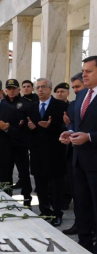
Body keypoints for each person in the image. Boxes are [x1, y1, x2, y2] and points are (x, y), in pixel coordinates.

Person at [59, 55, 97, 254]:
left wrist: (89, 137)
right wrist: (70, 133)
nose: (84, 75)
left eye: (89, 71)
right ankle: (84, 243)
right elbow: (78, 124)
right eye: (83, 71)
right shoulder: (82, 95)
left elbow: (89, 131)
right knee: (81, 205)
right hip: (78, 161)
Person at [27, 78, 68, 227]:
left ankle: (57, 213)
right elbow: (26, 129)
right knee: (40, 184)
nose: (40, 90)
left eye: (43, 87)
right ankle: (44, 211)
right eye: (38, 87)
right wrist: (30, 127)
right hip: (37, 152)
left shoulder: (61, 106)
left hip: (55, 151)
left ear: (50, 89)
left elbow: (65, 127)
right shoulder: (31, 107)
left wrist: (51, 126)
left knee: (56, 186)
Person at [61, 72, 85, 236]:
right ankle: (80, 224)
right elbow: (74, 126)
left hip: (90, 155)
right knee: (79, 195)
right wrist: (69, 131)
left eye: (78, 86)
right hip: (75, 155)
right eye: (74, 87)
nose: (75, 90)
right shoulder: (74, 105)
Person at [3, 79, 32, 207]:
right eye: (9, 89)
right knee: (6, 174)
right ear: (5, 90)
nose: (11, 91)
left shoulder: (26, 103)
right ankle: (8, 199)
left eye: (14, 88)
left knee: (24, 175)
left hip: (20, 144)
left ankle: (27, 201)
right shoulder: (2, 103)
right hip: (6, 145)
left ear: (19, 90)